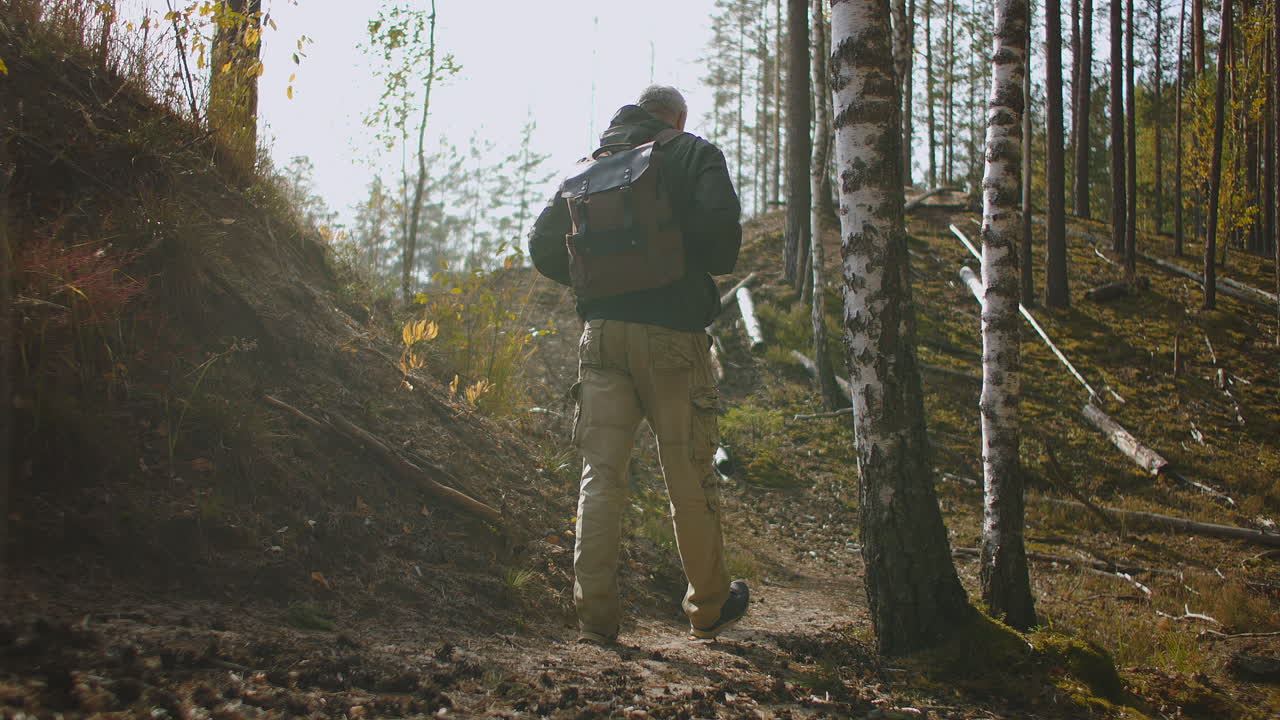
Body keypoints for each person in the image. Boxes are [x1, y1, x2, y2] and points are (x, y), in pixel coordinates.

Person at [529, 85, 748, 644]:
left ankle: (595, 619)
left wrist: (599, 281)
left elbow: (542, 246)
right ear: (677, 117)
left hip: (601, 338)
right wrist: (671, 265)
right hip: (673, 339)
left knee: (600, 476)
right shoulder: (695, 153)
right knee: (689, 475)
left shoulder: (590, 167)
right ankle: (707, 609)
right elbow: (723, 243)